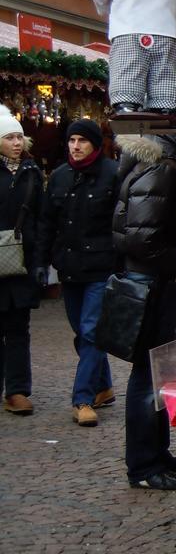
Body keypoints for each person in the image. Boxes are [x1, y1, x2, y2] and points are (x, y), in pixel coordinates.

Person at [112, 133, 176, 489]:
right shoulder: (163, 166)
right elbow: (144, 238)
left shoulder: (149, 163)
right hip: (153, 284)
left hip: (151, 281)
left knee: (154, 374)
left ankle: (156, 455)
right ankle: (146, 467)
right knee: (148, 376)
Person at [39, 119, 119, 427]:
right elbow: (47, 222)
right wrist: (41, 262)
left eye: (82, 141)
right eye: (72, 140)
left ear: (95, 145)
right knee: (81, 331)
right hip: (69, 267)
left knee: (90, 331)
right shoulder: (60, 176)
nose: (76, 146)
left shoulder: (112, 174)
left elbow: (119, 222)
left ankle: (82, 399)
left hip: (101, 266)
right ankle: (104, 386)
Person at [0, 105, 45, 416]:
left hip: (22, 261)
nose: (17, 143)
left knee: (18, 328)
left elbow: (41, 218)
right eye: (9, 137)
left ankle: (17, 389)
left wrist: (39, 259)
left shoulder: (32, 173)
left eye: (19, 137)